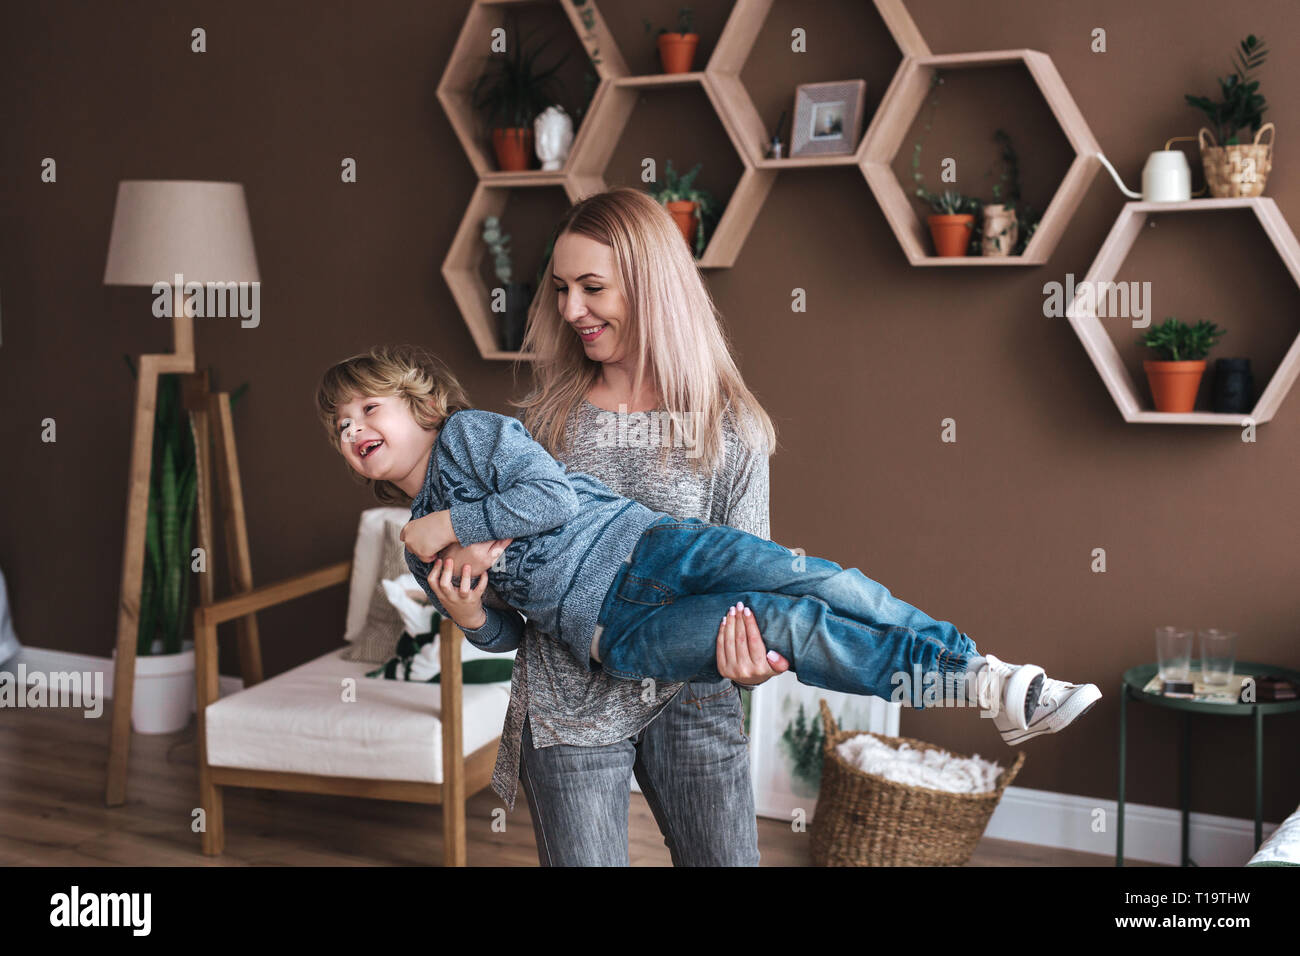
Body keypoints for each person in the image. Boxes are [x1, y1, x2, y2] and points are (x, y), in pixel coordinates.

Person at [317, 349, 1103, 750]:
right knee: (781, 623)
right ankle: (973, 687)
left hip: (651, 548)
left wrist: (452, 527)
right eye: (340, 426)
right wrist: (465, 613)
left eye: (367, 408)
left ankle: (984, 677)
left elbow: (552, 499)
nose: (355, 430)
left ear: (417, 402)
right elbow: (511, 634)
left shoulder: (469, 437)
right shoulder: (417, 544)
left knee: (816, 577)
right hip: (610, 632)